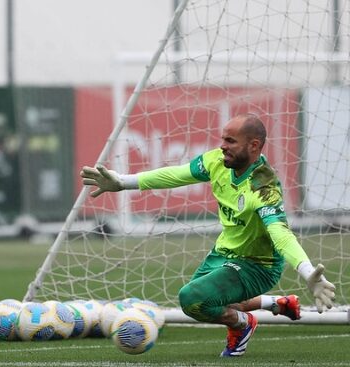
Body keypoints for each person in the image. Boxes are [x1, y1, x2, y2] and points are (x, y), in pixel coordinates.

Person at [80, 113, 336, 357]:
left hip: (257, 265)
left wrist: (306, 270)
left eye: (230, 141)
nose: (222, 146)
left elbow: (281, 234)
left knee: (193, 299)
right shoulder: (217, 161)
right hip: (223, 253)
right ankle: (277, 303)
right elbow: (175, 175)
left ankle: (242, 325)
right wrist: (122, 182)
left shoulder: (264, 187)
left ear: (254, 145)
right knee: (211, 303)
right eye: (223, 139)